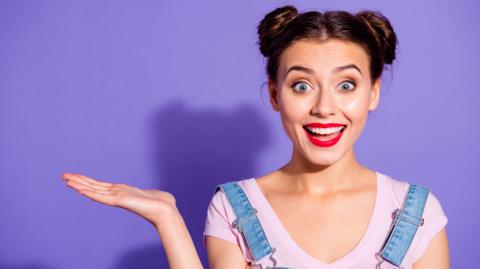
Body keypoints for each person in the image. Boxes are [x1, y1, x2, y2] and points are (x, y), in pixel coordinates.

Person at [61, 4, 450, 269]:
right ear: (276, 95)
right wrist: (168, 219)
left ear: (374, 93)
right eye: (302, 86)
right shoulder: (234, 208)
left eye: (346, 84)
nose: (325, 108)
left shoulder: (417, 214)